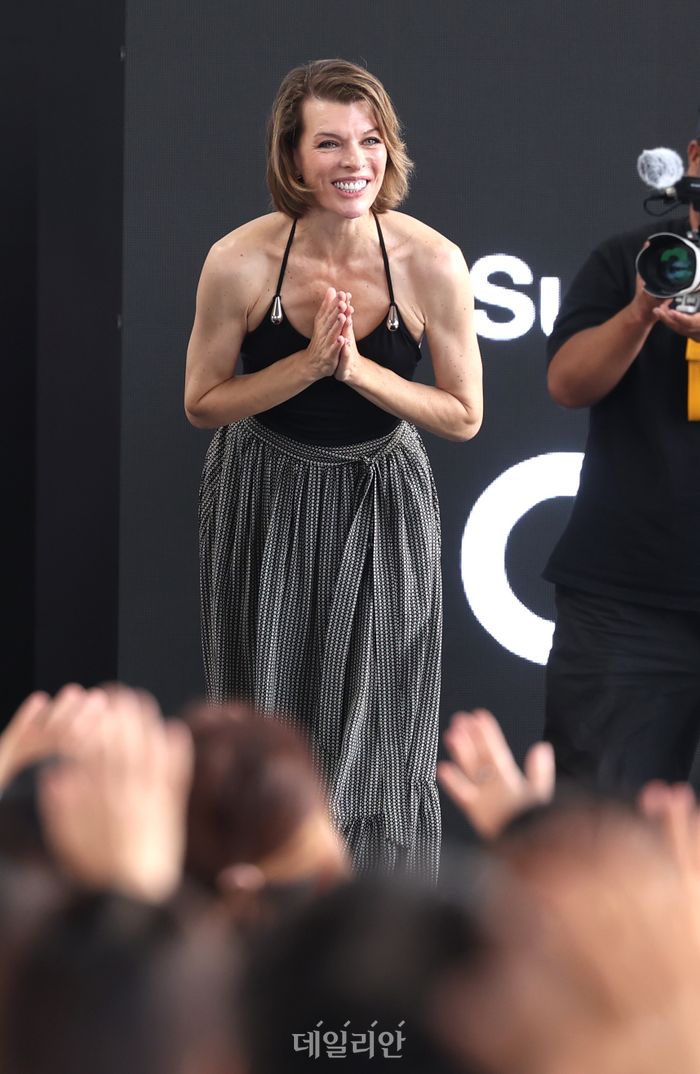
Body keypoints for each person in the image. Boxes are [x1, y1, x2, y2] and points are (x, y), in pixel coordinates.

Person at [184, 58, 483, 878]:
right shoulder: (239, 259)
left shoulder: (432, 261)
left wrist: (355, 370)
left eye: (370, 140)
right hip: (262, 493)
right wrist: (308, 365)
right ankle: (257, 910)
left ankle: (371, 923)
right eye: (329, 143)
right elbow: (203, 402)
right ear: (292, 155)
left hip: (382, 497)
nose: (355, 161)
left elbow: (463, 415)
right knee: (266, 719)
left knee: (382, 733)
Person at [543, 125, 700, 792]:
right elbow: (567, 383)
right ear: (695, 158)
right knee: (599, 823)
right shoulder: (636, 258)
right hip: (626, 601)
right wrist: (639, 311)